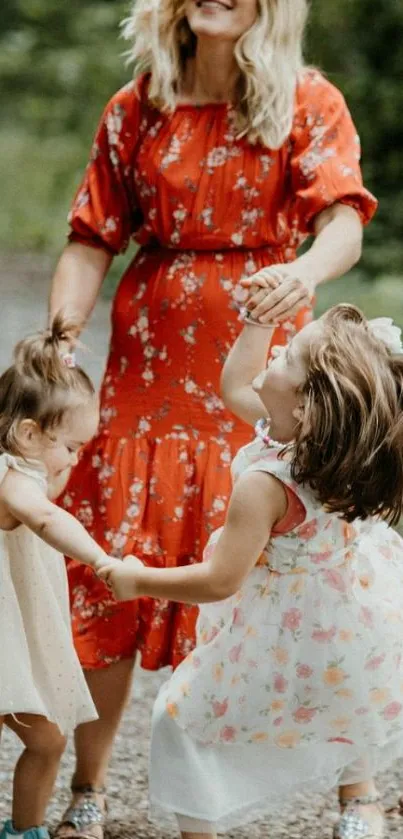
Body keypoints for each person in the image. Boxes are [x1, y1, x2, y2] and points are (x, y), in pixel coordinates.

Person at [49, 0, 377, 834]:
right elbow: (91, 235)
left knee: (308, 572)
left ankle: (356, 793)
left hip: (263, 363)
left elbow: (343, 218)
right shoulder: (134, 109)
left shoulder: (309, 100)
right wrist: (62, 330)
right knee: (114, 561)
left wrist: (303, 273)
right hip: (147, 370)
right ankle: (89, 788)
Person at [100, 302, 403, 839]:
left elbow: (220, 580)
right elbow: (239, 385)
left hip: (283, 624)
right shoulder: (338, 449)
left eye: (287, 353)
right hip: (346, 614)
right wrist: (258, 323)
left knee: (180, 719)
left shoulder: (266, 484)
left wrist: (137, 580)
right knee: (348, 698)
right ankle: (357, 796)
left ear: (307, 405)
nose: (278, 348)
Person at [0, 316, 116, 839]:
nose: (74, 461)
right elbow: (46, 518)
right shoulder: (15, 478)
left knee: (47, 740)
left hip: (11, 639)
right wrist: (102, 560)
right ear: (28, 434)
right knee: (45, 740)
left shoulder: (23, 468)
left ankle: (26, 829)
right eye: (71, 448)